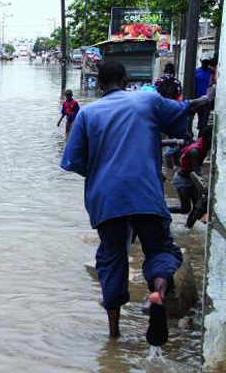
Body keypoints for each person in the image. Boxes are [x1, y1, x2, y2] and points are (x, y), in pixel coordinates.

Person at [60, 61, 211, 346]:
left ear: (100, 83)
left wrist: (102, 170)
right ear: (126, 79)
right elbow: (184, 109)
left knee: (111, 258)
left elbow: (75, 162)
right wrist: (207, 98)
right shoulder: (148, 100)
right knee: (160, 250)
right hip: (146, 194)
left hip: (106, 200)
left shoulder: (87, 114)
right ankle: (158, 293)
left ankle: (114, 335)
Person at [169, 126, 213, 215]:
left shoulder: (204, 144)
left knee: (199, 208)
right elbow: (197, 173)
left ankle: (188, 227)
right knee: (185, 209)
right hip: (182, 180)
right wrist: (207, 189)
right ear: (209, 138)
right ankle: (162, 211)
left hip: (191, 178)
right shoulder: (195, 151)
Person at [189, 55, 213, 134]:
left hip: (206, 100)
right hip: (197, 98)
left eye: (207, 62)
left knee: (204, 119)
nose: (205, 63)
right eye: (204, 62)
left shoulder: (211, 72)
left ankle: (201, 134)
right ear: (201, 62)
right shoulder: (196, 72)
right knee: (191, 117)